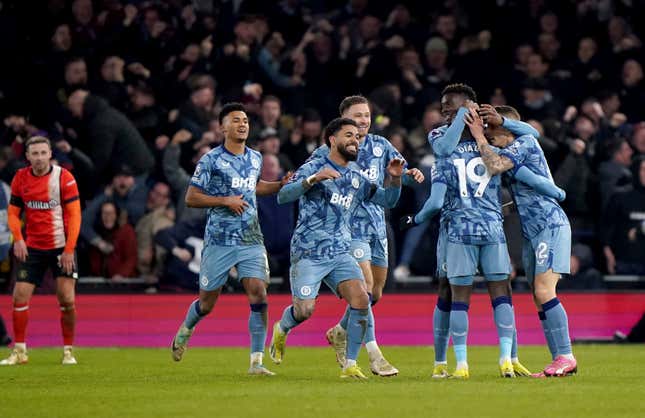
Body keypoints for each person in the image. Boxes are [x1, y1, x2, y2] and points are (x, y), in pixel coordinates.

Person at [404, 84, 537, 378]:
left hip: (457, 229)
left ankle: (459, 363)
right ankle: (506, 358)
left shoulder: (447, 143)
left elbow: (437, 189)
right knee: (501, 293)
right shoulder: (486, 138)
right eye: (444, 109)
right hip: (490, 226)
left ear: (469, 106)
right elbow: (531, 138)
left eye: (450, 107)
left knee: (456, 296)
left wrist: (414, 220)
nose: (445, 112)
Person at [268, 117, 404, 379]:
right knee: (304, 310)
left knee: (362, 298)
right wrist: (312, 180)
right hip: (309, 252)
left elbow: (388, 200)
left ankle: (351, 364)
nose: (355, 140)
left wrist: (395, 180)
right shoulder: (315, 165)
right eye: (349, 135)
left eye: (357, 137)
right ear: (332, 139)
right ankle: (283, 328)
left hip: (341, 252)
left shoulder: (355, 176)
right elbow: (283, 196)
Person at [170, 103, 289, 376]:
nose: (243, 124)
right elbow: (191, 197)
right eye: (236, 120)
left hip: (250, 238)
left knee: (259, 292)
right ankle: (187, 328)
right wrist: (224, 201)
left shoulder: (256, 157)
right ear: (223, 127)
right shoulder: (210, 160)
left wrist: (280, 184)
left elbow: (254, 187)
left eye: (245, 120)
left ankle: (256, 362)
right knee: (207, 303)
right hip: (219, 240)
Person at [310, 95, 424, 377]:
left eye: (367, 115)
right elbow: (310, 173)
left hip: (377, 226)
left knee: (374, 293)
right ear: (344, 118)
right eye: (358, 115)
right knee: (365, 286)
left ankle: (339, 331)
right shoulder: (334, 149)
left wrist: (411, 175)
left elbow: (401, 172)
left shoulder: (380, 145)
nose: (364, 120)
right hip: (348, 228)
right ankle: (374, 354)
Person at [471, 104, 577, 377]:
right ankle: (559, 360)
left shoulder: (525, 143)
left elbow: (493, 165)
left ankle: (566, 355)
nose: (488, 136)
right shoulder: (516, 150)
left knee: (544, 290)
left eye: (492, 131)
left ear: (507, 130)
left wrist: (481, 139)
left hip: (550, 225)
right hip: (532, 232)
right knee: (539, 297)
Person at [1, 136, 81, 365]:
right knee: (19, 296)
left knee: (66, 299)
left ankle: (68, 351)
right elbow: (14, 212)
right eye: (34, 154)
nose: (39, 158)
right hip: (33, 247)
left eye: (43, 153)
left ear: (50, 154)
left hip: (61, 247)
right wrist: (18, 239)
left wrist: (69, 250)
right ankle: (19, 351)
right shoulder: (20, 178)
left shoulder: (64, 178)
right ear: (27, 156)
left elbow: (75, 215)